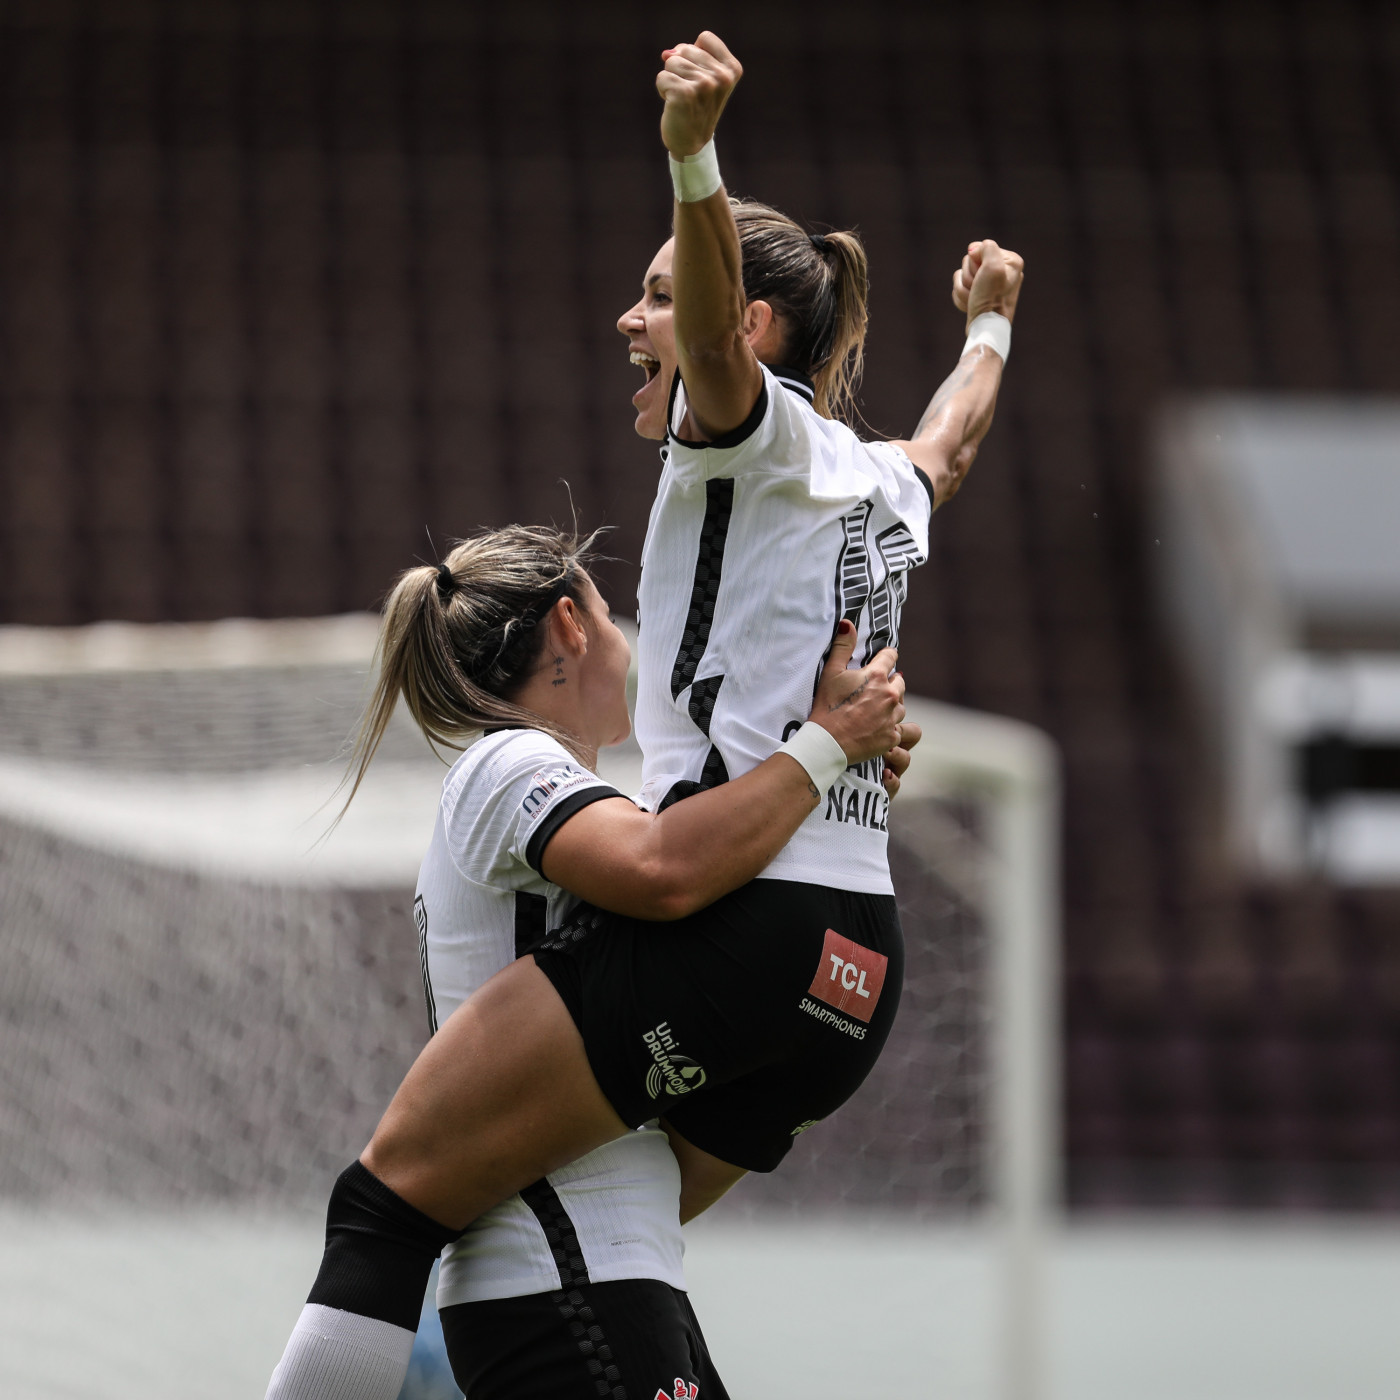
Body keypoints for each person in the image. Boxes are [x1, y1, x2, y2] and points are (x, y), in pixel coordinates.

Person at [266, 29, 1023, 1400]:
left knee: (390, 1208)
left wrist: (695, 157)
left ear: (745, 327)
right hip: (856, 958)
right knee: (581, 1229)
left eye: (662, 296)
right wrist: (991, 326)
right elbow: (952, 439)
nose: (633, 319)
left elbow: (667, 872)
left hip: (745, 919)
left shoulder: (752, 432)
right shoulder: (875, 481)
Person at [267, 526, 912, 1400]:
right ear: (569, 627)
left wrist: (830, 800)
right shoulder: (507, 762)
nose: (628, 639)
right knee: (378, 1214)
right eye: (614, 617)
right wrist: (823, 750)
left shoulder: (566, 791)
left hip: (600, 1268)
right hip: (559, 1270)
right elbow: (664, 871)